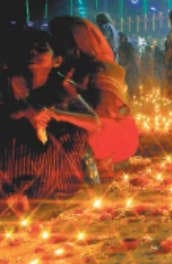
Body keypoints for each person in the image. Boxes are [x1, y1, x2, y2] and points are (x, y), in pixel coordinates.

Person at [0, 29, 99, 201]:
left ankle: (61, 188)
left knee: (75, 132)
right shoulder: (6, 84)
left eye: (41, 49)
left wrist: (57, 114)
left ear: (57, 61)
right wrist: (23, 113)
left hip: (55, 176)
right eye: (28, 48)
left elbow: (94, 123)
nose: (33, 52)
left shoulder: (63, 88)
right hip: (14, 167)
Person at [49, 16, 139, 177]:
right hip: (95, 133)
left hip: (111, 139)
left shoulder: (102, 73)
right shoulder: (72, 69)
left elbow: (98, 121)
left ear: (75, 46)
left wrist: (60, 111)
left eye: (59, 42)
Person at [118, 32, 139, 98]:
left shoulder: (128, 46)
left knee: (131, 86)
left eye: (120, 38)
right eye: (119, 38)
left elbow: (132, 58)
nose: (119, 40)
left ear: (124, 38)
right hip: (124, 69)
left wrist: (126, 67)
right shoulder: (120, 46)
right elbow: (120, 59)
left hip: (131, 70)